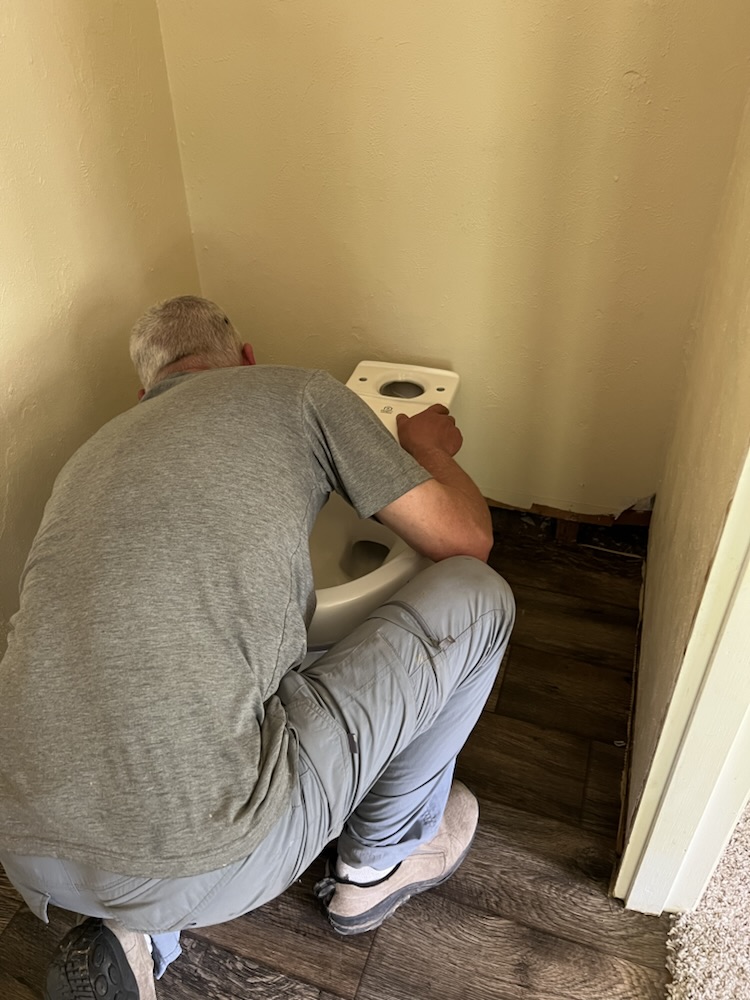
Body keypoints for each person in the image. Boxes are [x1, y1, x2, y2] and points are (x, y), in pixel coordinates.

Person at [0, 296, 514, 999]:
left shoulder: (90, 452)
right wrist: (427, 448)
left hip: (21, 847)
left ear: (144, 389)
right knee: (481, 596)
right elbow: (464, 539)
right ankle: (380, 863)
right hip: (213, 855)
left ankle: (135, 932)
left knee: (197, 667)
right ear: (246, 358)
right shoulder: (296, 390)